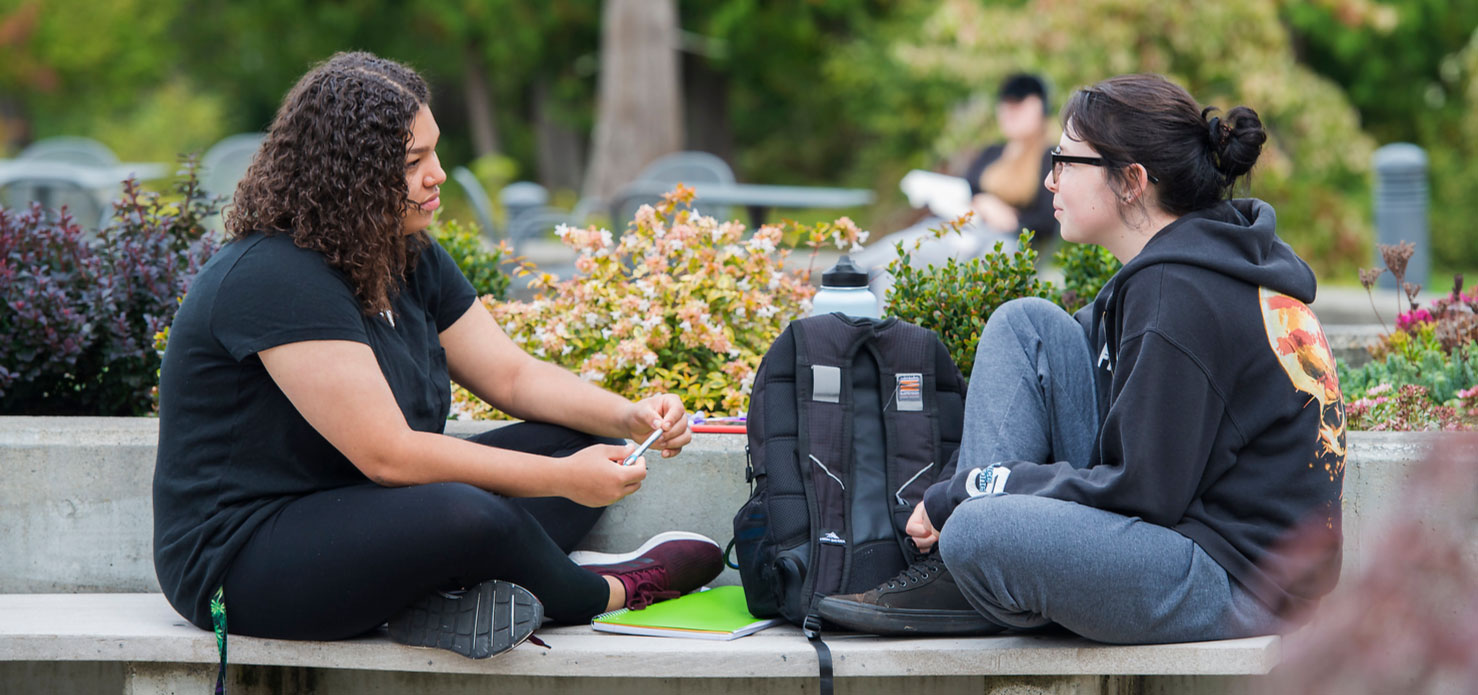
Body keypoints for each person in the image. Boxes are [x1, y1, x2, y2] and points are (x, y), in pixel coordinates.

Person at [152, 52, 723, 662]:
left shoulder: (403, 253)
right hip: (243, 558)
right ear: (347, 175)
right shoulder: (275, 276)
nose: (439, 175)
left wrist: (627, 418)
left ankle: (445, 595)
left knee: (561, 436)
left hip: (368, 514)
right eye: (413, 162)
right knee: (468, 513)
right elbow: (389, 456)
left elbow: (511, 374)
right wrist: (567, 481)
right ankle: (605, 591)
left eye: (435, 152)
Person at [819, 73, 1346, 644]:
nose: (1049, 180)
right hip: (1181, 524)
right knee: (1027, 326)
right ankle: (960, 579)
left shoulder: (1180, 295)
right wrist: (963, 484)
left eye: (1065, 161)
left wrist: (968, 491)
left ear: (1131, 182)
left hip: (1234, 579)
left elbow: (1142, 493)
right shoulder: (1181, 264)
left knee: (976, 529)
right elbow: (1117, 448)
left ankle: (971, 568)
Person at [853, 73, 1057, 299]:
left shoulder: (1047, 157)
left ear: (1038, 109)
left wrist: (1010, 218)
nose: (1009, 113)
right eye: (1006, 106)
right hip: (958, 227)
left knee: (900, 260)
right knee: (888, 251)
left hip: (991, 243)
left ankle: (879, 320)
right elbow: (966, 191)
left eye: (1018, 106)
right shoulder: (992, 152)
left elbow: (1049, 220)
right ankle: (844, 287)